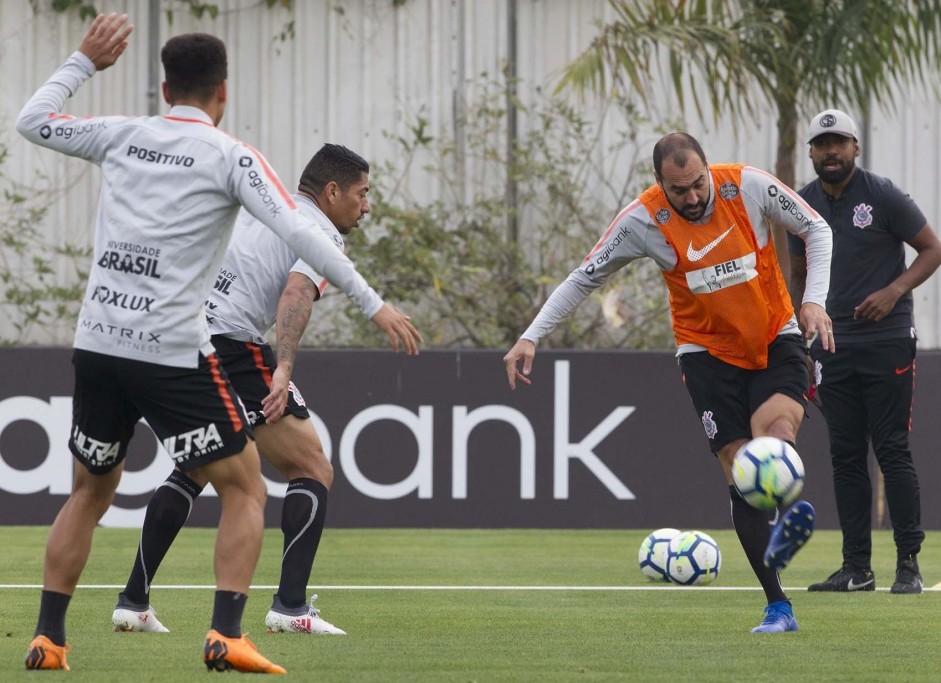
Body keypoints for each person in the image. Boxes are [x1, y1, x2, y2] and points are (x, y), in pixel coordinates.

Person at [16, 14, 421, 673]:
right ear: (222, 92)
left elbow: (32, 122)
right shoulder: (231, 155)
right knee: (244, 486)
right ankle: (227, 632)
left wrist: (83, 62)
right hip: (171, 346)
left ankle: (48, 636)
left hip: (96, 341)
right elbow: (306, 235)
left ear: (163, 86)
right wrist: (374, 303)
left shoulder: (121, 134)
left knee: (89, 490)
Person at [503, 132, 833, 634]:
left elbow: (817, 228)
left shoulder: (745, 185)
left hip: (773, 335)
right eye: (680, 190)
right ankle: (778, 606)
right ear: (661, 184)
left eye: (698, 184)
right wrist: (531, 334)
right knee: (742, 474)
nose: (693, 197)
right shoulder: (642, 220)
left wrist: (814, 298)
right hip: (705, 355)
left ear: (707, 170)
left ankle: (785, 516)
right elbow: (584, 276)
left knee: (776, 438)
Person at [111, 143, 371, 636]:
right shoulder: (318, 232)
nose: (366, 205)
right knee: (312, 467)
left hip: (182, 336)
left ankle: (133, 602)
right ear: (332, 192)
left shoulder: (263, 204)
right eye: (361, 193)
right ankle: (291, 608)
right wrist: (283, 369)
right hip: (232, 343)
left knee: (197, 466)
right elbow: (296, 293)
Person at [788, 109, 941, 595]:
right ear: (811, 153)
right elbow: (797, 271)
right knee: (846, 455)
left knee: (892, 449)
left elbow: (932, 249)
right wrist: (798, 325)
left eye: (840, 143)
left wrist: (893, 291)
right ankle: (857, 568)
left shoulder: (882, 194)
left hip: (887, 339)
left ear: (855, 148)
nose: (830, 152)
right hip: (832, 346)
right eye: (821, 144)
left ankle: (909, 565)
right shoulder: (802, 204)